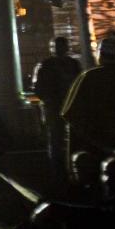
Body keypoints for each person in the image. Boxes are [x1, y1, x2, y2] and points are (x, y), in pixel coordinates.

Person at [35, 37, 82, 171]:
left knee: (56, 137)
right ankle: (71, 164)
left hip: (54, 106)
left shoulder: (46, 65)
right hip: (66, 105)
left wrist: (47, 99)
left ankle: (58, 166)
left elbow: (39, 88)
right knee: (66, 136)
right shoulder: (73, 64)